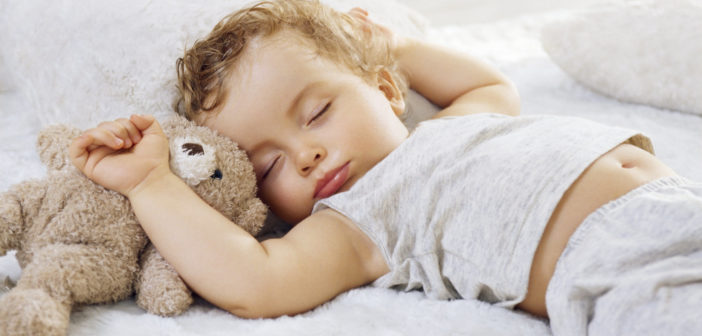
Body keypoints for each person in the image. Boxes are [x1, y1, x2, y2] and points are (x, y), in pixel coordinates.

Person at [69, 0, 702, 334]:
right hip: (614, 273)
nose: (307, 155)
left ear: (386, 91)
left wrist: (393, 45)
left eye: (317, 112)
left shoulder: (447, 128)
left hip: (679, 206)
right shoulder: (356, 223)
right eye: (268, 169)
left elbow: (488, 84)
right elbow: (254, 280)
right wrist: (150, 182)